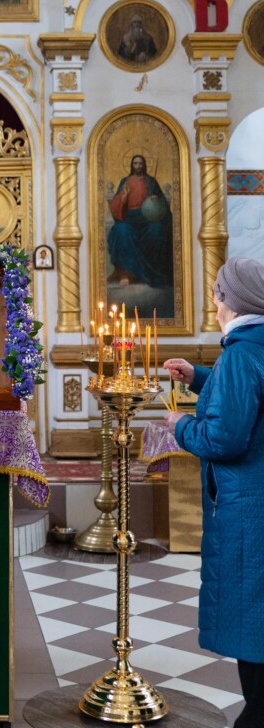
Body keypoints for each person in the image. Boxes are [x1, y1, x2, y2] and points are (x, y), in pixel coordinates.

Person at [162, 256, 264, 728]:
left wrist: (180, 426)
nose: (214, 300)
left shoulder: (241, 353)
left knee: (253, 625)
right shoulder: (252, 347)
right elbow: (249, 392)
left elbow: (224, 438)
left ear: (230, 300)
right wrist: (200, 376)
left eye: (218, 292)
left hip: (250, 510)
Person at [107, 154, 172, 288]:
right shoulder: (125, 181)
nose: (138, 166)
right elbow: (115, 204)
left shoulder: (151, 182)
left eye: (140, 164)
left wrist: (155, 200)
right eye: (135, 163)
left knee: (157, 229)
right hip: (129, 217)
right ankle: (126, 273)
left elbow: (162, 203)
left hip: (147, 218)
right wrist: (124, 197)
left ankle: (153, 271)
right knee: (121, 230)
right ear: (132, 165)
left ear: (144, 165)